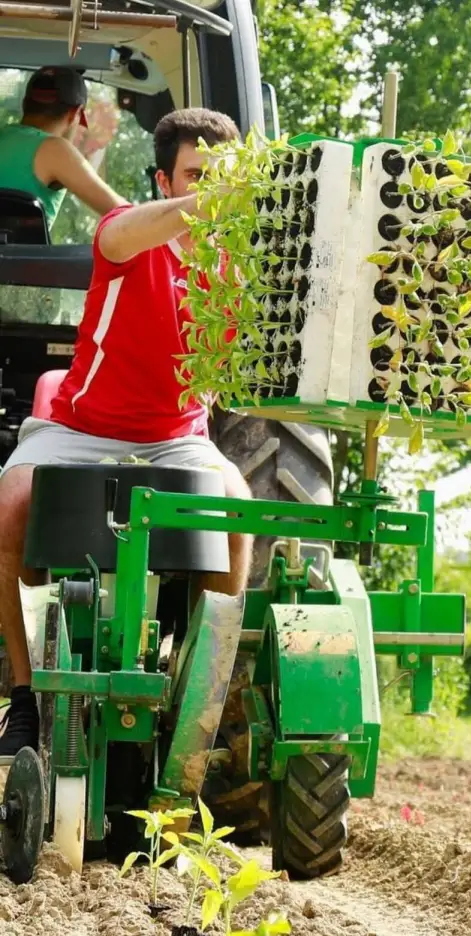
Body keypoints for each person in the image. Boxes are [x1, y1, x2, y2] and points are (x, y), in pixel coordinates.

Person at [0, 108, 255, 755]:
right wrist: (209, 203)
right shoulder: (128, 236)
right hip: (80, 427)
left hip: (177, 436)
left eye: (224, 178)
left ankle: (199, 707)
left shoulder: (236, 269)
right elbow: (120, 233)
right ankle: (25, 700)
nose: (210, 190)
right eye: (197, 176)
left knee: (238, 509)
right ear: (165, 182)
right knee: (7, 508)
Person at [0, 66, 127, 229]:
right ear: (75, 114)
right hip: (20, 255)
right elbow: (123, 214)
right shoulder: (55, 150)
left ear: (25, 104)